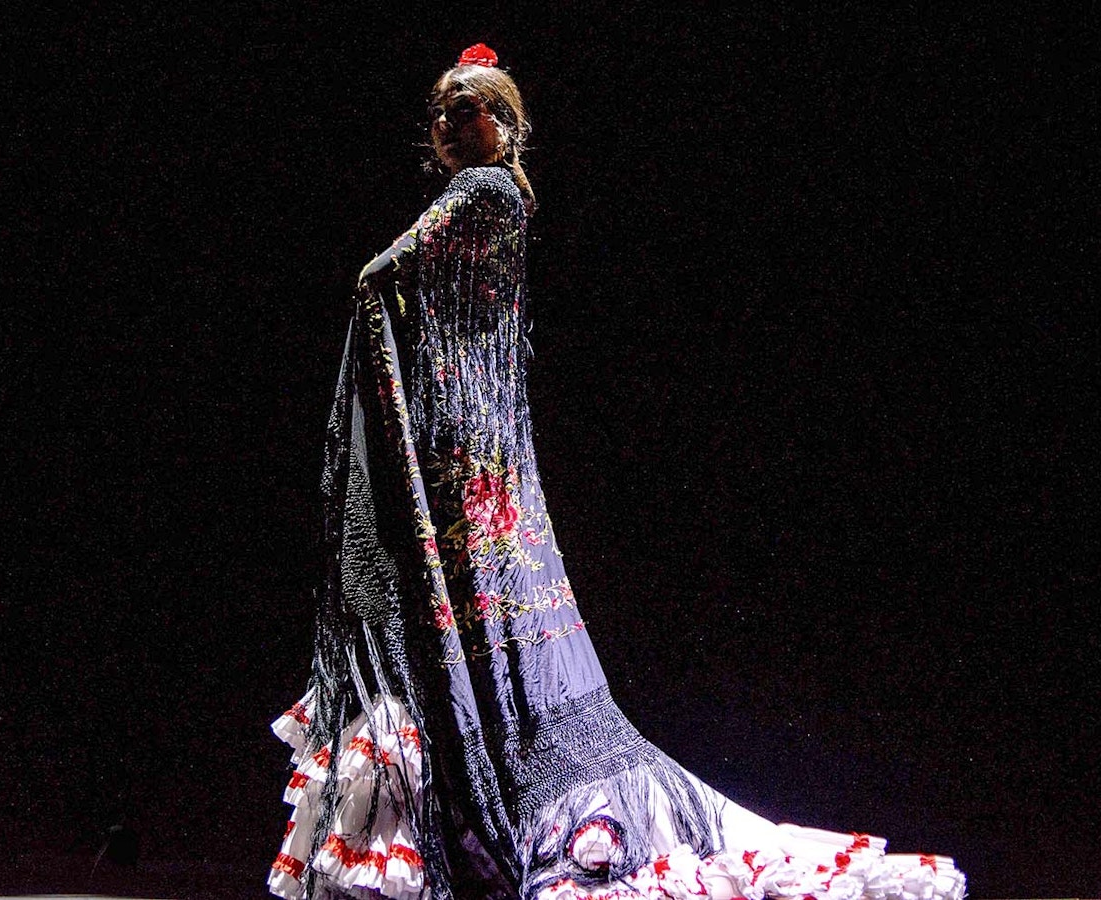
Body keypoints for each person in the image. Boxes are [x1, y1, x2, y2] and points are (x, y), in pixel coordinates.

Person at [268, 44, 967, 900]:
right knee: (493, 629)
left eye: (469, 110)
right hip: (484, 450)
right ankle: (493, 783)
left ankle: (502, 798)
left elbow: (380, 272)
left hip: (462, 450)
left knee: (467, 627)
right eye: (443, 114)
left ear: (505, 122)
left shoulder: (482, 192)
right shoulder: (509, 200)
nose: (451, 126)